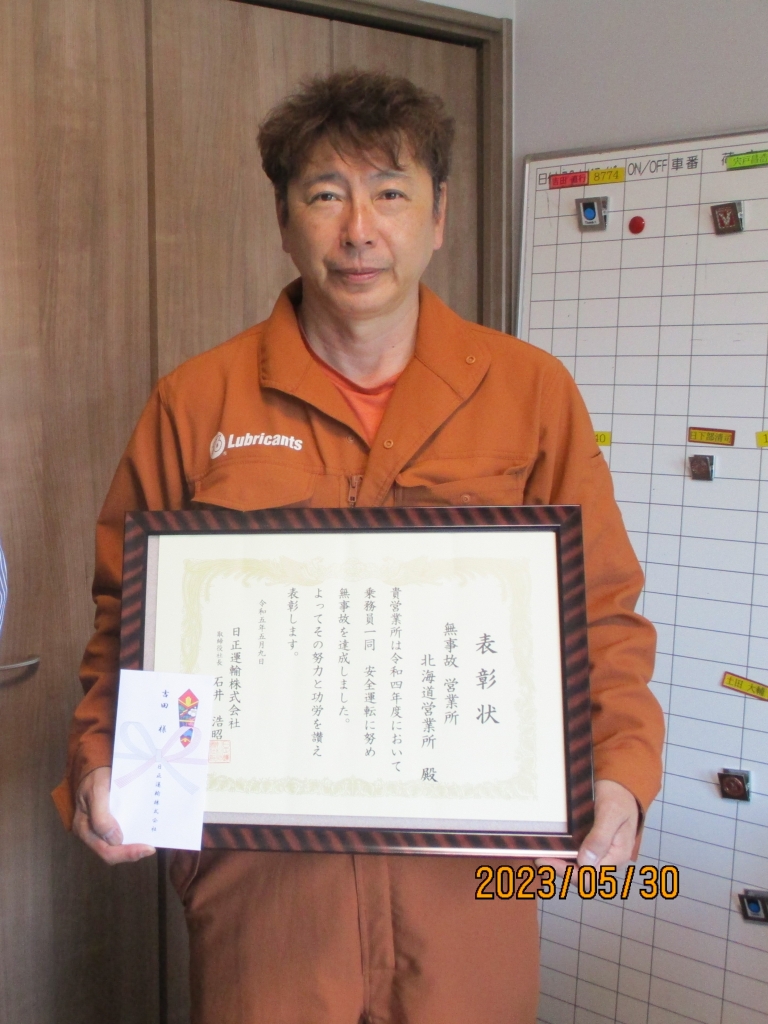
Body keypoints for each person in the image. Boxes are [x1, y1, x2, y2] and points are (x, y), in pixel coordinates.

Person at [53, 70, 664, 1024]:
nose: (359, 230)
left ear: (438, 215)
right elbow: (126, 618)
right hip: (263, 893)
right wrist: (105, 762)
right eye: (325, 195)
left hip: (471, 889)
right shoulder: (197, 402)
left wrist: (623, 771)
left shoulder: (530, 393)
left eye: (390, 192)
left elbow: (602, 612)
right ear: (283, 220)